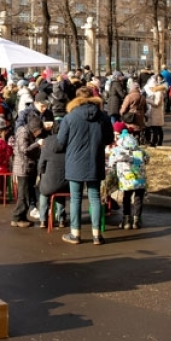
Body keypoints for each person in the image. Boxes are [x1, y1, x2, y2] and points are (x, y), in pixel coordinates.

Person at [56, 86, 114, 245]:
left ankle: (76, 233)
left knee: (75, 199)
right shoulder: (103, 117)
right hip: (95, 160)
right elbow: (109, 138)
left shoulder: (70, 117)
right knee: (95, 197)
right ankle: (97, 235)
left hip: (75, 162)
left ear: (76, 99)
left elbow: (60, 142)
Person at [109, 123, 148, 229]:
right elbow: (147, 158)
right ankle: (137, 220)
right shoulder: (139, 149)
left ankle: (126, 220)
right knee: (138, 198)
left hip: (126, 179)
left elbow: (111, 163)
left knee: (126, 198)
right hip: (140, 179)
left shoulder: (117, 150)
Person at [10, 111, 45, 227]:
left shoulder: (27, 132)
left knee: (27, 194)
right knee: (23, 195)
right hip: (22, 168)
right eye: (39, 131)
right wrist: (37, 144)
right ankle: (17, 217)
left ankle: (22, 216)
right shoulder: (23, 132)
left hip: (27, 167)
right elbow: (24, 150)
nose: (39, 133)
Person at [36, 129, 68, 228]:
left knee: (44, 194)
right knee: (60, 195)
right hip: (64, 182)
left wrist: (43, 173)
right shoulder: (68, 144)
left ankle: (43, 220)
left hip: (48, 183)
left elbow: (41, 165)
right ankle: (61, 220)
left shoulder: (46, 145)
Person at [144, 74, 167, 147]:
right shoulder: (157, 92)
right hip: (156, 112)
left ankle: (154, 142)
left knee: (155, 128)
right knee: (158, 128)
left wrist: (148, 101)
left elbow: (157, 104)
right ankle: (159, 142)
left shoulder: (158, 93)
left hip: (156, 113)